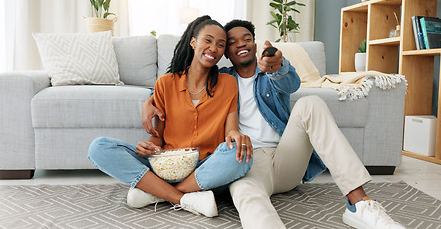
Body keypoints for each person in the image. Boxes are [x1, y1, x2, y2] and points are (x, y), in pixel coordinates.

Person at [142, 19, 406, 229]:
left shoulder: (269, 73)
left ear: (255, 45)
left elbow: (290, 82)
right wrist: (149, 101)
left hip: (286, 157)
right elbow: (183, 87)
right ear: (225, 53)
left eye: (247, 39)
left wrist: (277, 65)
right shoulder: (220, 80)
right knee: (248, 200)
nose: (240, 44)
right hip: (244, 162)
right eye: (232, 42)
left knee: (310, 103)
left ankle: (359, 205)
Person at [88, 16, 253, 218]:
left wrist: (237, 137)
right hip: (164, 166)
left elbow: (231, 132)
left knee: (241, 155)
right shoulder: (165, 83)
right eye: (207, 41)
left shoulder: (228, 83)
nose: (213, 48)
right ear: (193, 42)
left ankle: (156, 192)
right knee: (99, 147)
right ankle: (181, 198)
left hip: (204, 170)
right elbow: (158, 137)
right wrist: (149, 146)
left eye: (220, 45)